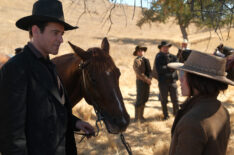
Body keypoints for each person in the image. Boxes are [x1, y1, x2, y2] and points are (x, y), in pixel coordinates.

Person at [0, 0, 94, 155]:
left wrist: (76, 123)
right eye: (55, 33)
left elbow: (53, 112)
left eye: (62, 34)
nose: (61, 39)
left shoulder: (49, 65)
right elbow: (11, 136)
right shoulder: (17, 69)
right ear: (36, 30)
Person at [168, 50, 233, 155]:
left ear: (196, 81)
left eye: (184, 74)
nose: (180, 79)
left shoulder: (192, 122)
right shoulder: (221, 109)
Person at [154, 41, 179, 120]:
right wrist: (169, 67)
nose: (166, 48)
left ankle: (176, 115)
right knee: (164, 100)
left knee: (175, 100)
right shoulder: (158, 57)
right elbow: (159, 69)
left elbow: (177, 65)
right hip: (163, 82)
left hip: (172, 81)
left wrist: (170, 67)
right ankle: (166, 116)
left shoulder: (173, 57)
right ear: (161, 48)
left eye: (167, 47)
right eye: (164, 47)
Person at [133, 45, 152, 122]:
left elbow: (150, 71)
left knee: (145, 97)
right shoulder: (137, 61)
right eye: (140, 51)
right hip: (141, 81)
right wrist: (147, 79)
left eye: (143, 50)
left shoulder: (146, 60)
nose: (142, 52)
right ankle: (137, 117)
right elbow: (139, 73)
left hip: (147, 82)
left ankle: (141, 116)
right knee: (139, 98)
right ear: (137, 52)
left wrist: (150, 78)